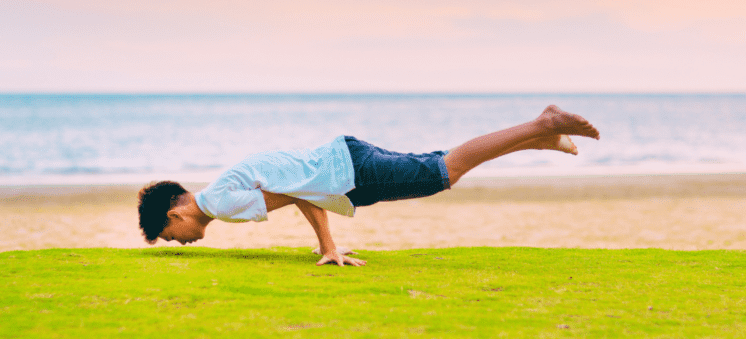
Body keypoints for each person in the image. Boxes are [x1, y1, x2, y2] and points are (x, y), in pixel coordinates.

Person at [137, 105, 599, 267]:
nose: (176, 241)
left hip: (348, 171)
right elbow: (300, 186)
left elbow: (301, 191)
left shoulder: (221, 203)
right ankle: (538, 138)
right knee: (440, 169)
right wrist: (328, 243)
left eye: (167, 236)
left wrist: (329, 246)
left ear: (176, 214)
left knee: (444, 171)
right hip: (347, 165)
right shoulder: (222, 193)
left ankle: (542, 125)